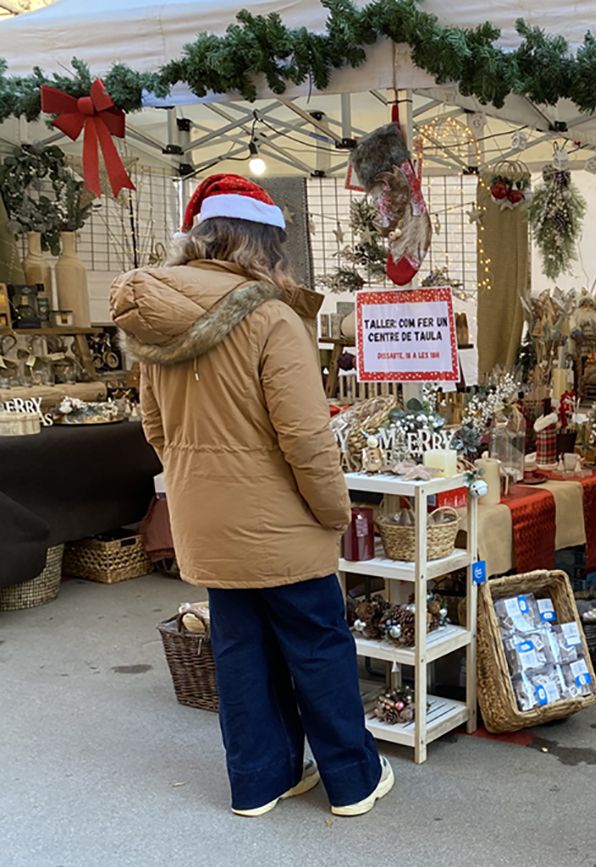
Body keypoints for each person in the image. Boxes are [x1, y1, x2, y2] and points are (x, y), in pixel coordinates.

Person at [110, 174, 392, 819]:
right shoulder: (271, 317)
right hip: (284, 524)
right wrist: (333, 511)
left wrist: (198, 483)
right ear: (265, 244)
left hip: (207, 522)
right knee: (318, 649)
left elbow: (155, 427)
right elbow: (306, 437)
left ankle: (260, 783)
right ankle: (352, 783)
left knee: (239, 655)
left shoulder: (156, 320)